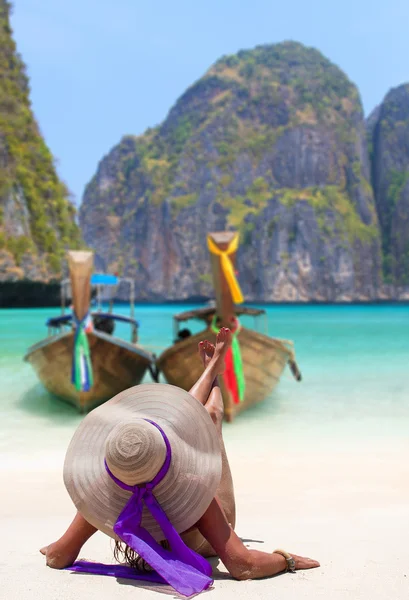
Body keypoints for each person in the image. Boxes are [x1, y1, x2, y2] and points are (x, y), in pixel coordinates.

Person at [40, 328, 319, 595]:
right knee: (209, 421)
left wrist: (58, 545)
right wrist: (286, 560)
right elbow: (242, 565)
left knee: (186, 420)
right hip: (206, 538)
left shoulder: (106, 491)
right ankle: (215, 376)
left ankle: (212, 372)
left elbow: (57, 557)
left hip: (161, 502)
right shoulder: (194, 488)